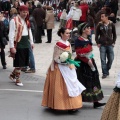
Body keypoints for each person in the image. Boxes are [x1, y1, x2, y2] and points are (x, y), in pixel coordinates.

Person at [41, 27, 86, 112]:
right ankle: (58, 104)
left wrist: (69, 61)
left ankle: (73, 105)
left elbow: (70, 54)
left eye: (69, 33)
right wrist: (62, 61)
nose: (68, 35)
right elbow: (55, 57)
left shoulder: (68, 43)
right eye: (66, 33)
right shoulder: (58, 44)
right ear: (61, 34)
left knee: (72, 84)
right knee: (61, 87)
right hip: (60, 67)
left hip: (68, 66)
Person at [74, 22, 106, 108]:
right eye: (88, 28)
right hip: (82, 65)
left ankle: (96, 101)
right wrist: (87, 61)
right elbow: (79, 53)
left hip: (90, 62)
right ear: (83, 30)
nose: (90, 30)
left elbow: (90, 51)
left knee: (94, 81)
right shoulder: (78, 41)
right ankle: (78, 100)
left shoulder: (88, 39)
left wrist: (91, 58)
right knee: (82, 82)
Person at [9, 5, 34, 86]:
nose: (25, 14)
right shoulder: (14, 20)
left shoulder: (27, 20)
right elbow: (11, 34)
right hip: (18, 42)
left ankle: (12, 75)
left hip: (25, 42)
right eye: (23, 12)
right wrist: (12, 46)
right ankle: (17, 79)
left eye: (26, 12)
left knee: (23, 62)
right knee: (19, 63)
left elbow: (29, 32)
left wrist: (32, 42)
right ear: (19, 11)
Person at [95, 11, 117, 79]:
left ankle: (107, 69)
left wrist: (113, 42)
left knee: (111, 58)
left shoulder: (111, 24)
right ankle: (104, 73)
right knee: (103, 59)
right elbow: (97, 35)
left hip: (110, 44)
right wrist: (97, 42)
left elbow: (114, 34)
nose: (101, 18)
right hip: (102, 45)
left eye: (102, 17)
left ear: (106, 17)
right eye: (101, 17)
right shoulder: (99, 24)